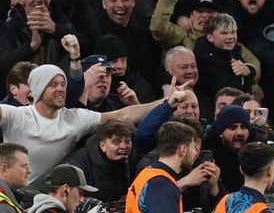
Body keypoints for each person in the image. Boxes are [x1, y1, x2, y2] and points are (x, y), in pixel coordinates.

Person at [0, 63, 187, 187]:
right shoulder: (17, 116)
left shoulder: (74, 118)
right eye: (53, 85)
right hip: (7, 192)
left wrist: (166, 102)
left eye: (63, 84)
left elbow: (122, 115)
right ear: (39, 88)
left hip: (43, 195)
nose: (61, 89)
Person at [65, 119, 138, 202]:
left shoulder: (136, 159)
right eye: (116, 142)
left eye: (127, 141)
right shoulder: (78, 162)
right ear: (102, 145)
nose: (123, 146)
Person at [194, 13, 261, 98]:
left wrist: (248, 70)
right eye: (224, 33)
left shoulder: (235, 50)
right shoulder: (202, 58)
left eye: (233, 32)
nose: (230, 37)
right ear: (210, 37)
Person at [150, 0, 221, 50]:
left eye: (209, 12)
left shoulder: (225, 37)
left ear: (219, 16)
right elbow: (158, 28)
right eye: (200, 11)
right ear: (191, 15)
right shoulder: (182, 35)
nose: (205, 15)